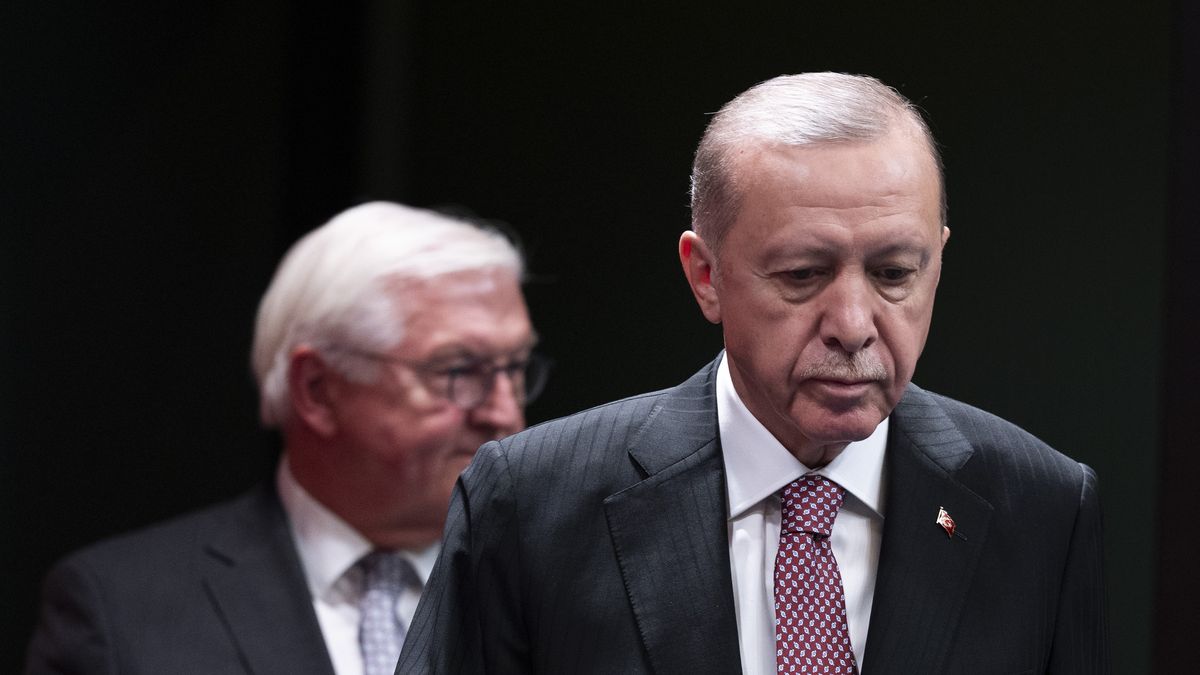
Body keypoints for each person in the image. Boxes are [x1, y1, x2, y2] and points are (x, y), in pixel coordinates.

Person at [398, 73, 1108, 674]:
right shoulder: (530, 506)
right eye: (803, 274)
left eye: (894, 273)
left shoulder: (1042, 509)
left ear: (939, 266)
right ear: (706, 276)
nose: (854, 322)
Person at [25, 201, 546, 675]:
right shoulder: (121, 611)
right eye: (458, 370)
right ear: (317, 390)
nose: (504, 412)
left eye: (516, 368)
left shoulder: (565, 587)